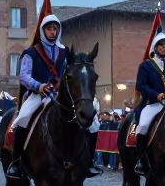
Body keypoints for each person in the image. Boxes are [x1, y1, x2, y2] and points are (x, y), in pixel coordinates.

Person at [8, 14, 99, 177]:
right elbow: (24, 76)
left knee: (93, 124)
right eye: (49, 28)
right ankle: (16, 162)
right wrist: (39, 86)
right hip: (38, 94)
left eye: (55, 28)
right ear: (43, 31)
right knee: (22, 118)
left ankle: (89, 162)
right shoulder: (31, 52)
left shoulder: (65, 52)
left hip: (61, 94)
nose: (53, 31)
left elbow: (72, 74)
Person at [132, 31, 165, 175]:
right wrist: (157, 95)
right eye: (160, 45)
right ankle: (141, 160)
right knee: (142, 126)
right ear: (155, 47)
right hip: (153, 103)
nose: (164, 47)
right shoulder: (146, 66)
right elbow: (141, 85)